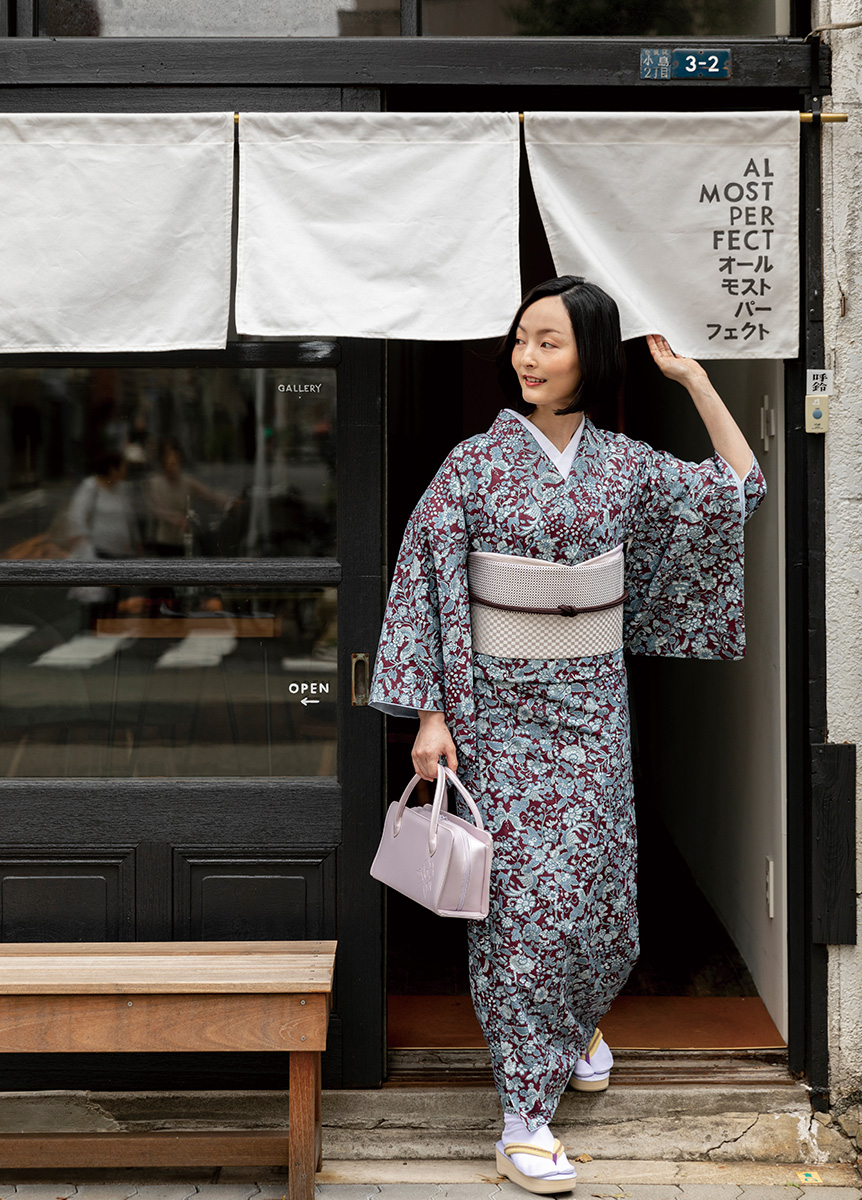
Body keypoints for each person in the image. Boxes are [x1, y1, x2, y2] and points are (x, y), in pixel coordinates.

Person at [369, 276, 766, 1194]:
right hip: (497, 713)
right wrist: (430, 715)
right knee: (522, 911)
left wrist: (697, 382)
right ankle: (522, 1119)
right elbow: (423, 578)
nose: (525, 358)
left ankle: (574, 1019)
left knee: (600, 899)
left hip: (592, 711)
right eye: (519, 340)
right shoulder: (473, 464)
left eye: (547, 342)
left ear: (591, 352)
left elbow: (737, 491)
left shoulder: (625, 465)